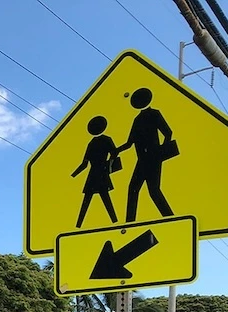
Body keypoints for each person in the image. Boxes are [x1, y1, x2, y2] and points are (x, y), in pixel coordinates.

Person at [117, 87, 175, 221]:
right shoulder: (137, 119)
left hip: (153, 158)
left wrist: (161, 152)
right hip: (142, 160)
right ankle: (129, 222)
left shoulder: (155, 114)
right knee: (133, 189)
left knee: (153, 190)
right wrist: (116, 150)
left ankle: (170, 219)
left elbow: (168, 132)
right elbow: (130, 142)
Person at [70, 115, 120, 229]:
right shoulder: (94, 142)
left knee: (103, 198)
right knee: (91, 199)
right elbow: (85, 163)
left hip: (98, 173)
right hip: (97, 173)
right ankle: (78, 225)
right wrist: (72, 175)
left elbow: (114, 152)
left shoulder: (100, 141)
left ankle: (115, 222)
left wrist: (111, 163)